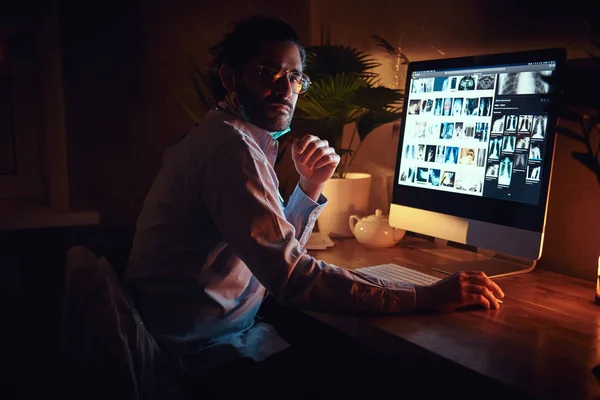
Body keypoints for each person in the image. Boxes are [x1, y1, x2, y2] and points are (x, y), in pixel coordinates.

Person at [124, 15, 504, 398]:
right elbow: (292, 278)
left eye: (294, 77)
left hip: (211, 336)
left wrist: (310, 185)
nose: (285, 87)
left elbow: (273, 254)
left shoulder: (229, 138)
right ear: (230, 78)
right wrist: (423, 297)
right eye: (269, 71)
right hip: (198, 358)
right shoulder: (231, 149)